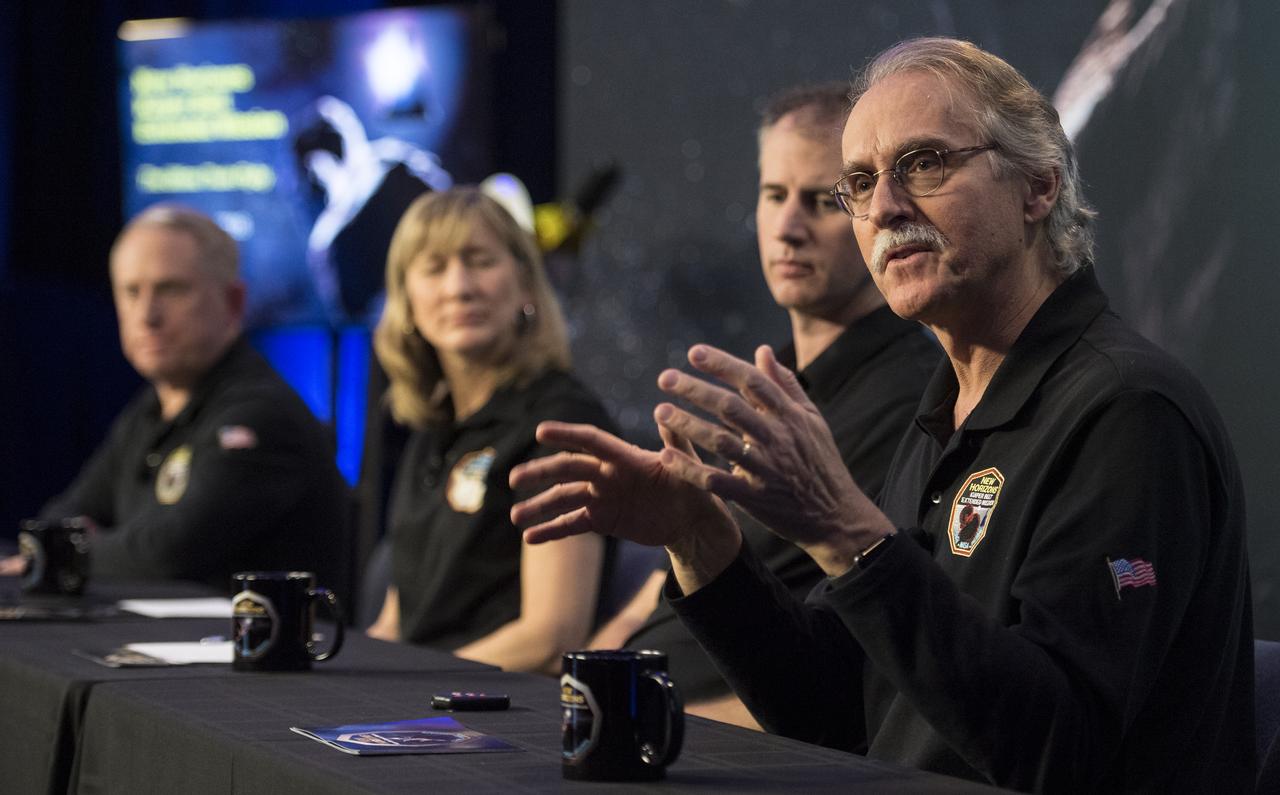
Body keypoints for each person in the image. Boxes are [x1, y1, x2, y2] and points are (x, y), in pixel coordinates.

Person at [510, 37, 1253, 792]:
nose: (886, 208)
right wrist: (701, 539)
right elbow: (840, 714)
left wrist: (850, 533)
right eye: (859, 183)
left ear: (1038, 188)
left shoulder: (1127, 410)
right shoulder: (946, 411)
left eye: (925, 164)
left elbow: (1063, 751)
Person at [589, 82, 938, 727]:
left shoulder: (916, 399)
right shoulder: (768, 385)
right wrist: (594, 663)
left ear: (873, 210)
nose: (787, 227)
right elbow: (684, 558)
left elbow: (863, 669)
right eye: (774, 196)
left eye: (820, 201)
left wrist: (674, 728)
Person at [0, 205, 349, 591]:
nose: (147, 315)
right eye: (131, 292)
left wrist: (71, 552)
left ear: (233, 302)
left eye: (171, 289)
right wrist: (70, 544)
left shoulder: (262, 416)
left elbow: (164, 552)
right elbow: (63, 518)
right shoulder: (149, 410)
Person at [364, 187, 615, 674]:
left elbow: (549, 638)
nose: (459, 286)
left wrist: (398, 686)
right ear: (408, 301)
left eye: (479, 261)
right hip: (417, 704)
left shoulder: (559, 425)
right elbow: (399, 622)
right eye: (434, 268)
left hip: (499, 719)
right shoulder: (431, 429)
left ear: (524, 284)